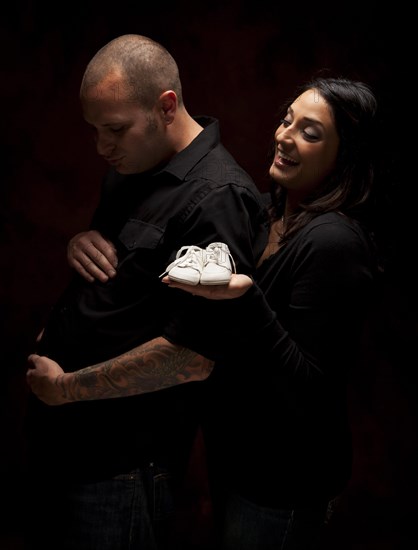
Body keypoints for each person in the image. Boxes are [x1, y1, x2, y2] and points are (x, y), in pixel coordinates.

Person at [27, 75, 383, 549]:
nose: (284, 136)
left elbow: (313, 387)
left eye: (310, 132)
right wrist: (84, 241)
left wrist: (246, 297)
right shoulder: (266, 213)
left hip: (286, 478)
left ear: (346, 155)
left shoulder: (334, 241)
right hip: (238, 461)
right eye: (287, 120)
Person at [23, 33, 269, 550]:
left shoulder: (219, 198)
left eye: (114, 130)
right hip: (69, 442)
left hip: (124, 462)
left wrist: (65, 389)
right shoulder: (130, 167)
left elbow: (195, 355)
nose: (101, 148)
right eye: (93, 131)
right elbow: (118, 280)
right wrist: (80, 241)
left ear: (166, 106)